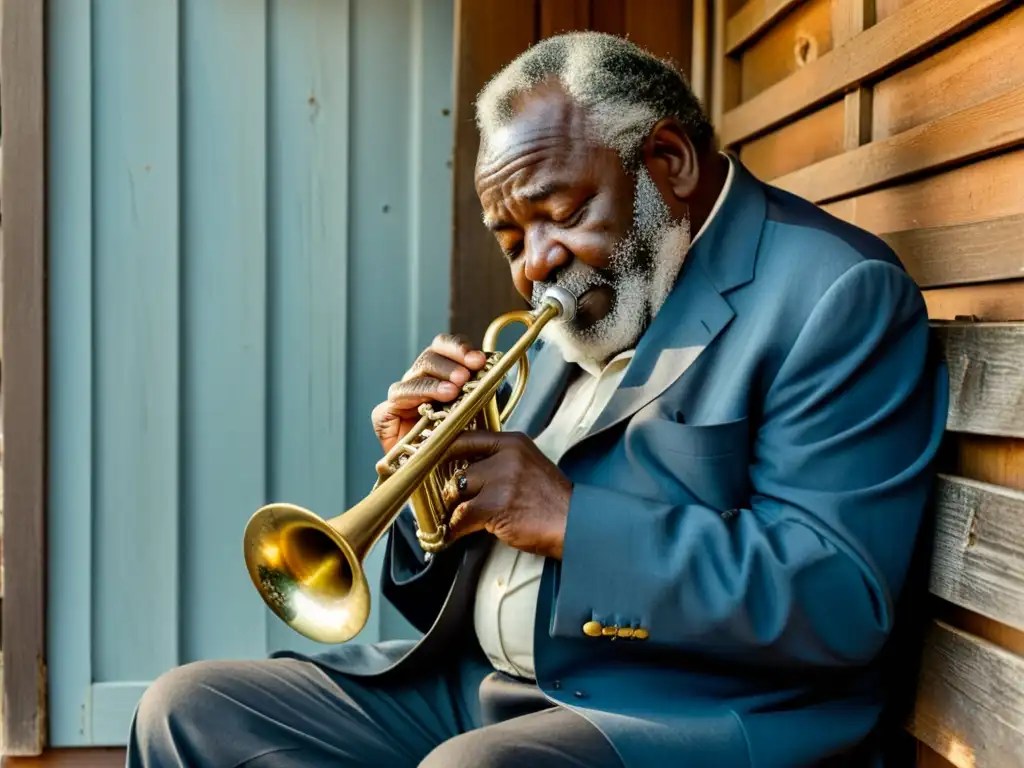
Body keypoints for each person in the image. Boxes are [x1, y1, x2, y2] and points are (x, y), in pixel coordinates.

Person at [127, 31, 948, 767]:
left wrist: (569, 518)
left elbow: (840, 598)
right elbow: (431, 596)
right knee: (188, 712)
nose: (535, 267)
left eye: (559, 213)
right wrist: (427, 491)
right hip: (490, 686)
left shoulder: (833, 294)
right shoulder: (586, 308)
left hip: (681, 712)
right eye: (511, 238)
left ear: (669, 163)